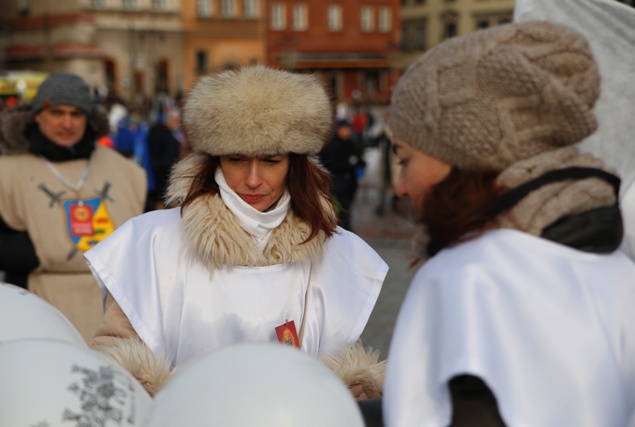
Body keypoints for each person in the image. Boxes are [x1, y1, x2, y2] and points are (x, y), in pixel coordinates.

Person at [382, 22, 635, 426]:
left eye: (405, 158)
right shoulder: (618, 267)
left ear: (460, 154)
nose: (401, 186)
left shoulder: (471, 276)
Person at [84, 65, 389, 398]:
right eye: (237, 159)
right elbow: (114, 358)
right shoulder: (154, 242)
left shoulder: (332, 250)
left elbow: (346, 365)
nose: (254, 180)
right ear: (215, 160)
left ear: (294, 164)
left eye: (271, 161)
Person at [0, 72, 147, 341]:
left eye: (76, 114)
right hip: (39, 309)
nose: (67, 124)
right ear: (37, 115)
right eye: (57, 112)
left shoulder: (127, 172)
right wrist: (38, 250)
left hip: (114, 312)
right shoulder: (6, 173)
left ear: (89, 119)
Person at [318, 119, 364, 230]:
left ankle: (346, 228)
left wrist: (359, 164)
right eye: (344, 129)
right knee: (338, 208)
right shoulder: (331, 145)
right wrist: (350, 164)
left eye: (348, 129)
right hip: (337, 184)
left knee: (347, 208)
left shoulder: (351, 143)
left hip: (349, 184)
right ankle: (340, 228)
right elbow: (330, 163)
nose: (346, 132)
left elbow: (359, 159)